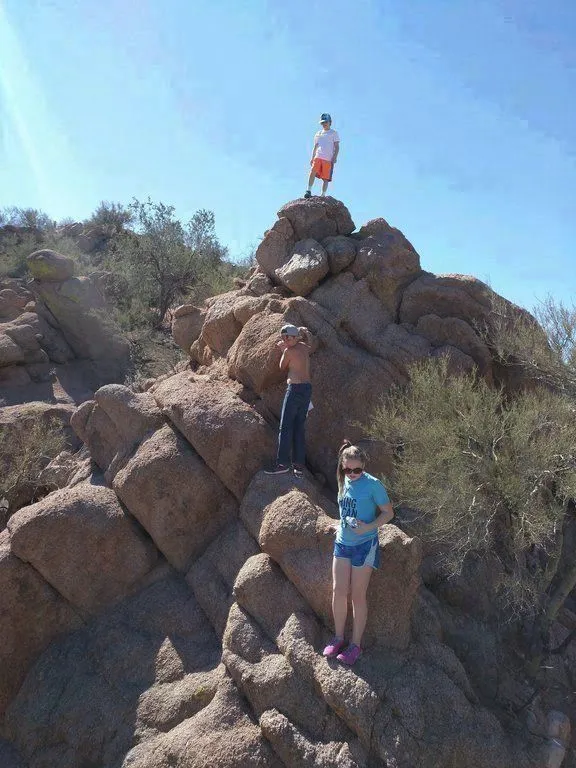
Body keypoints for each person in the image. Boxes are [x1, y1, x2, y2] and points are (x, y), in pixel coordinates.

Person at [323, 440, 394, 665]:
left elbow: (388, 513)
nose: (352, 473)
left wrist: (368, 527)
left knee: (357, 595)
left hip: (365, 544)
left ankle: (355, 646)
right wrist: (339, 524)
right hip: (343, 542)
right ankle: (338, 638)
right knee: (338, 590)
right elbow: (345, 507)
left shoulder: (373, 485)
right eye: (348, 469)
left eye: (357, 469)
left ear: (364, 466)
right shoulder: (342, 480)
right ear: (342, 466)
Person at [265, 324, 312, 477]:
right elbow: (308, 343)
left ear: (295, 337)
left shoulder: (288, 351)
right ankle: (299, 465)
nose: (285, 340)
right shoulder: (304, 347)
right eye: (283, 337)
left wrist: (282, 350)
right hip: (306, 390)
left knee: (285, 428)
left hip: (294, 390)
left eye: (288, 337)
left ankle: (282, 463)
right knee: (299, 427)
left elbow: (282, 366)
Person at [304, 113, 340, 199]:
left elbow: (337, 146)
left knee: (325, 178)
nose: (324, 124)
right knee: (313, 171)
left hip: (328, 158)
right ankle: (308, 190)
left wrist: (335, 157)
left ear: (330, 122)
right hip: (318, 156)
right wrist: (312, 158)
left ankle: (323, 195)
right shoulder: (318, 133)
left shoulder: (334, 133)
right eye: (322, 123)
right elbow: (315, 146)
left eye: (326, 122)